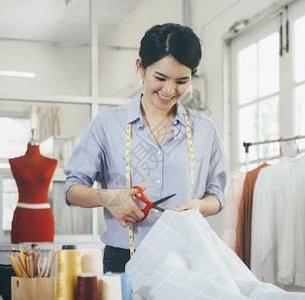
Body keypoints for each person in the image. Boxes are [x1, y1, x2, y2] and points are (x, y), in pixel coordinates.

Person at [63, 23, 227, 273]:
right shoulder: (106, 125)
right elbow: (72, 189)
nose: (169, 90)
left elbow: (216, 194)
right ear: (141, 67)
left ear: (193, 74)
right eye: (160, 78)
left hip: (188, 256)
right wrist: (108, 197)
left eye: (182, 81)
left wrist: (200, 207)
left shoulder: (204, 129)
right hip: (123, 258)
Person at [10, 130, 58, 243]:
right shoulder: (15, 162)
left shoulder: (51, 162)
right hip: (23, 217)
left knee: (45, 258)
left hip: (44, 217)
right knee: (20, 258)